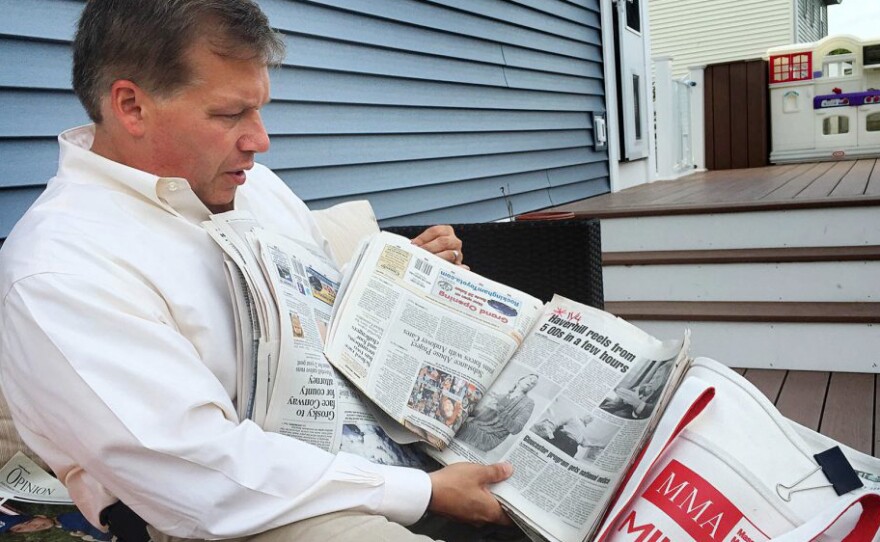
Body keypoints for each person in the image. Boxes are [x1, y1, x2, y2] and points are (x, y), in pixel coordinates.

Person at [0, 1, 512, 541]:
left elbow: (329, 319)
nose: (260, 140)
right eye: (229, 115)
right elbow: (199, 475)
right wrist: (425, 492)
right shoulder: (61, 269)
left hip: (383, 450)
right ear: (131, 106)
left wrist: (404, 283)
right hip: (238, 513)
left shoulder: (254, 188)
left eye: (260, 109)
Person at [456, 374, 539, 453]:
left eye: (534, 383)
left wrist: (500, 408)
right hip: (474, 426)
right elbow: (481, 414)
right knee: (453, 416)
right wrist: (464, 409)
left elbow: (516, 429)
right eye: (530, 378)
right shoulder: (500, 396)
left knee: (455, 425)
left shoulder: (528, 403)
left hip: (490, 437)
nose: (532, 382)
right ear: (520, 380)